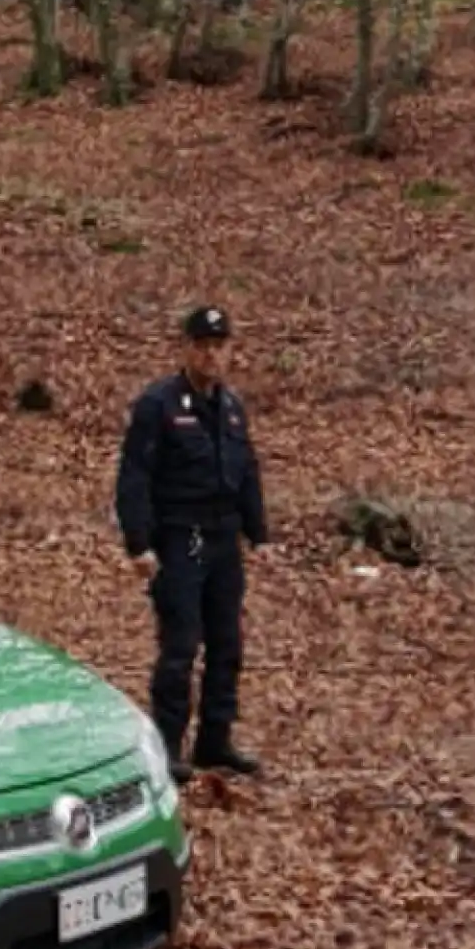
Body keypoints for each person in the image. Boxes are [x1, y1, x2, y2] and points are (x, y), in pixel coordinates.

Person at [115, 305, 269, 784]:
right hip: (180, 538)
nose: (211, 355)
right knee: (181, 645)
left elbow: (247, 472)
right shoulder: (159, 405)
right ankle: (168, 743)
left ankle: (214, 741)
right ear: (186, 348)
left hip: (224, 541)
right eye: (202, 345)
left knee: (227, 644)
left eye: (219, 346)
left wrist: (259, 532)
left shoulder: (231, 408)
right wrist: (138, 543)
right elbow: (134, 476)